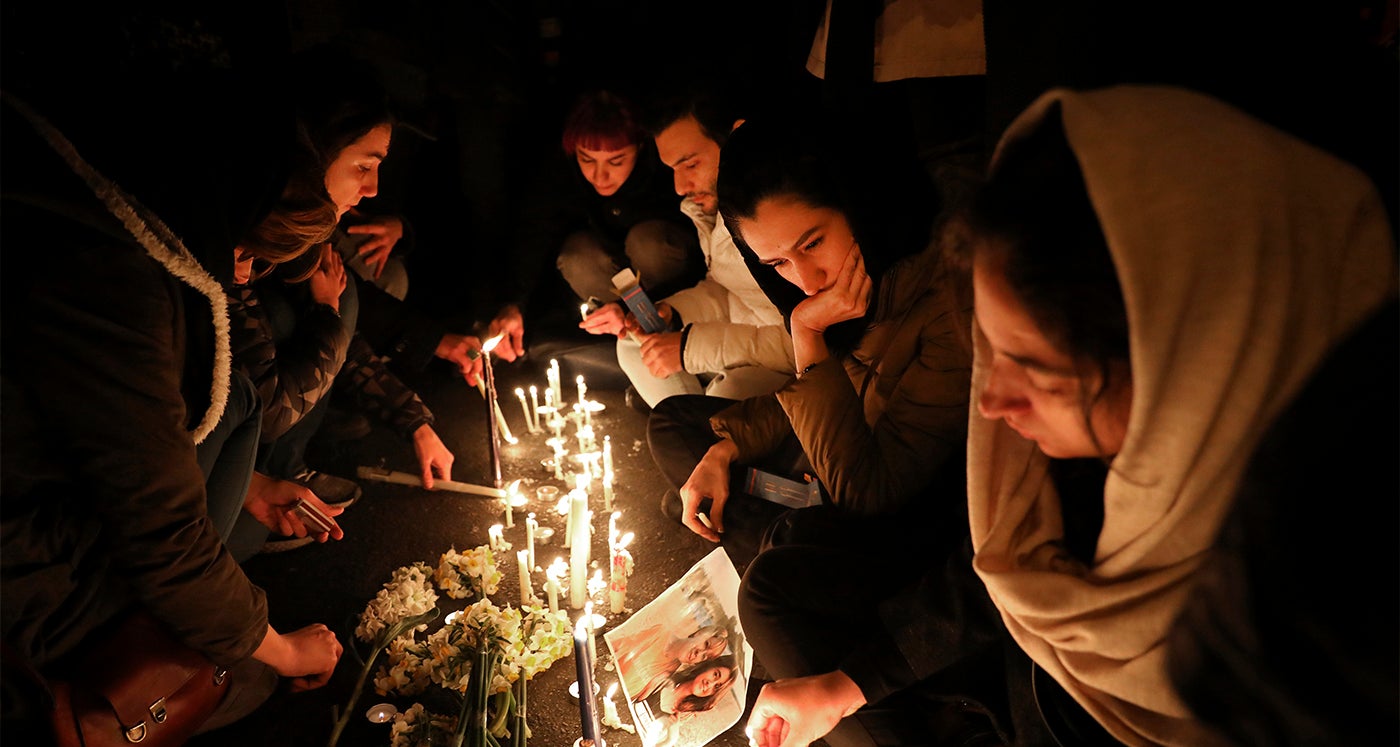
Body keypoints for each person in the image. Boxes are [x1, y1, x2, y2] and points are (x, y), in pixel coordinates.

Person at [742, 84, 1397, 747]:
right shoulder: (1074, 464)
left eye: (1035, 366)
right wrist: (842, 688)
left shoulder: (1319, 624)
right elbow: (989, 562)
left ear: (1187, 359)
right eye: (991, 350)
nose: (991, 405)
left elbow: (875, 491)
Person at [0, 9, 346, 740]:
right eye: (248, 257)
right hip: (23, 576)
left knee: (239, 408)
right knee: (242, 674)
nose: (246, 277)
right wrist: (280, 647)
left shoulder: (87, 191)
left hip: (53, 508)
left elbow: (118, 434)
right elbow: (162, 533)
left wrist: (248, 486)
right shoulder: (101, 270)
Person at [648, 112, 972, 570]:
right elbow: (822, 393)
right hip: (815, 464)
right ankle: (751, 531)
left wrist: (807, 331)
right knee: (671, 422)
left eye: (813, 243)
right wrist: (726, 448)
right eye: (778, 264)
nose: (806, 280)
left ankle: (762, 552)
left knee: (773, 581)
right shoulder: (855, 287)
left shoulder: (947, 303)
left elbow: (866, 493)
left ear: (856, 207)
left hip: (872, 511)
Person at [582, 80, 796, 409]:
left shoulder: (781, 214)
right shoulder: (713, 209)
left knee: (729, 398)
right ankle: (690, 428)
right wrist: (676, 313)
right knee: (634, 343)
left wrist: (688, 349)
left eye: (691, 164)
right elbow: (729, 290)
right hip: (739, 342)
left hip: (785, 358)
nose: (680, 186)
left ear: (737, 139)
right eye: (672, 169)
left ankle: (697, 435)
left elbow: (805, 339)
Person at [552, 88, 704, 309]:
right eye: (587, 159)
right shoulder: (563, 174)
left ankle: (660, 320)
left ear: (641, 147)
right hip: (608, 264)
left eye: (615, 162)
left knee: (648, 244)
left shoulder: (664, 171)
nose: (599, 175)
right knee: (578, 258)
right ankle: (625, 325)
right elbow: (537, 230)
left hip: (673, 274)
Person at [612, 622, 732, 704]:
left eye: (705, 656)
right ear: (699, 633)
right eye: (706, 644)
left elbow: (635, 699)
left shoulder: (673, 671)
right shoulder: (661, 632)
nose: (699, 654)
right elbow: (617, 645)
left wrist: (650, 687)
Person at [635, 654, 739, 713]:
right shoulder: (664, 679)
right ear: (708, 667)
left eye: (716, 687)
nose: (710, 684)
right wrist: (649, 687)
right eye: (715, 674)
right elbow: (630, 699)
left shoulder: (683, 714)